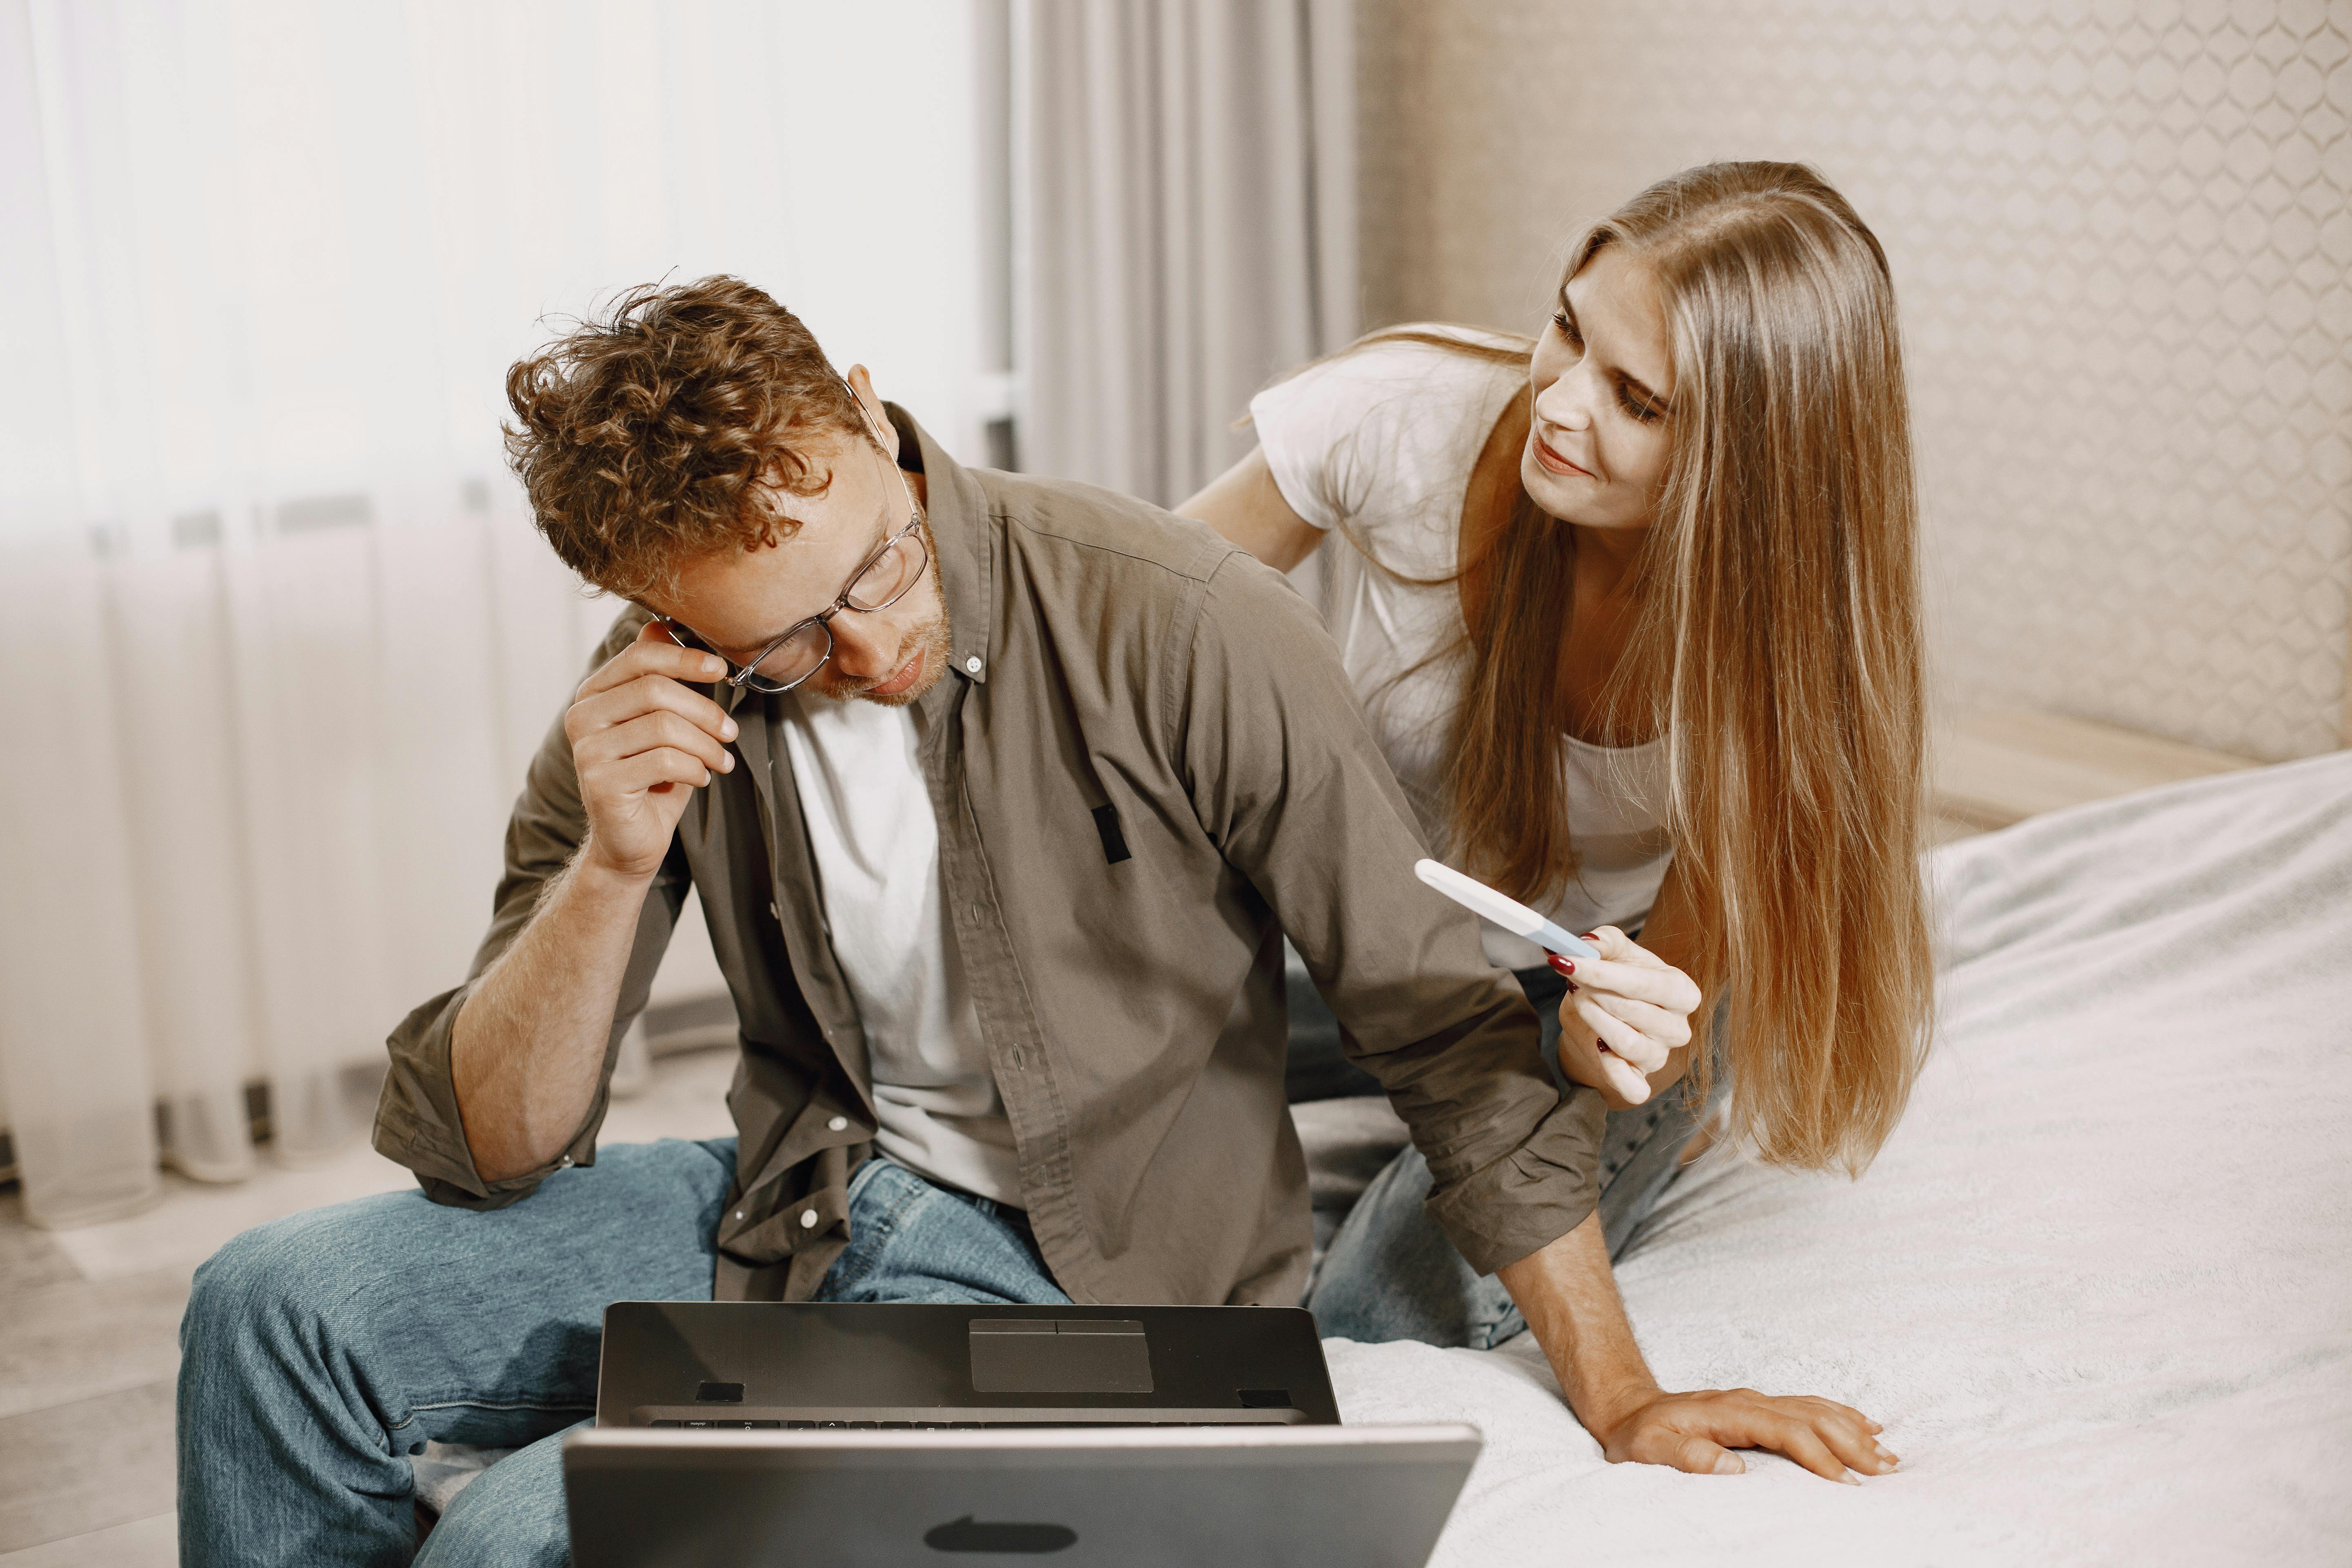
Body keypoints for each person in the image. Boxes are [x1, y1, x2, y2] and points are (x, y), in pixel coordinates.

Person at [175, 272, 1892, 1568]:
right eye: (787, 642)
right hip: (805, 1203)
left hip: (1096, 1277)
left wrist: (1623, 1394)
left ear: (865, 408)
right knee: (276, 1302)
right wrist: (614, 866)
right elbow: (493, 1148)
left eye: (878, 565)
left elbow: (1436, 1029)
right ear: (663, 608)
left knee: (529, 1533)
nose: (867, 650)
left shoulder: (1177, 618)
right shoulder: (653, 705)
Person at [1184, 160, 1935, 1437]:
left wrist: (1617, 1055)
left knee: (1366, 1324)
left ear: (1747, 466)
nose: (1561, 402)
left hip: (1588, 985)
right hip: (1369, 953)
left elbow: (1659, 1024)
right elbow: (1127, 616)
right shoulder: (1409, 417)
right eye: (1570, 327)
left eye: (1636, 400)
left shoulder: (1779, 669)